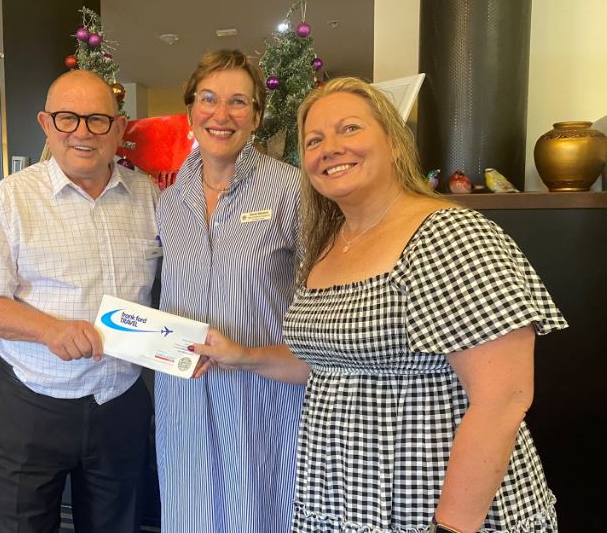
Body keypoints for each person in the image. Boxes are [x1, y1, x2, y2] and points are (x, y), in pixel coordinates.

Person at [193, 77, 566, 532]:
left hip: (435, 505)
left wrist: (449, 528)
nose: (329, 148)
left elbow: (502, 400)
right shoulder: (327, 246)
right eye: (314, 139)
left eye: (349, 129)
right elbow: (328, 364)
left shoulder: (451, 236)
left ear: (393, 143)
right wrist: (243, 357)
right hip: (342, 501)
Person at [0, 70, 159, 533]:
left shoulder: (149, 196)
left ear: (120, 127)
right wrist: (52, 330)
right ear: (46, 124)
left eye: (97, 120)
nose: (82, 133)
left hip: (120, 403)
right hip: (31, 406)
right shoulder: (10, 199)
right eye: (68, 119)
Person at [154, 49, 304, 532]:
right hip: (185, 393)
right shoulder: (170, 200)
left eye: (239, 102)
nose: (221, 115)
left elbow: (320, 298)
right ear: (191, 109)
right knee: (191, 511)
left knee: (261, 511)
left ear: (257, 115)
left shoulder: (292, 190)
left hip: (262, 394)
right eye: (209, 99)